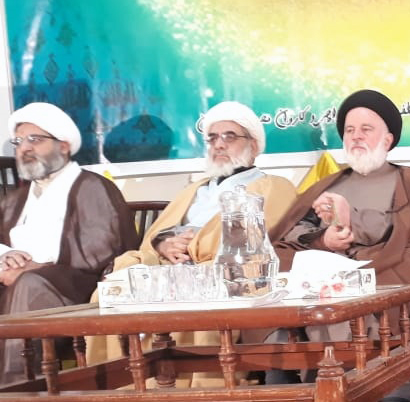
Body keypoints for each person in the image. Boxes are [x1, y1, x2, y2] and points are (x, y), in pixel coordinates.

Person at [273, 89, 410, 402]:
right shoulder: (327, 184)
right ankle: (305, 381)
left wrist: (353, 220)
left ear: (388, 139)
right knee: (284, 270)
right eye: (350, 130)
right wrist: (322, 240)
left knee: (407, 266)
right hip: (330, 262)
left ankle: (394, 388)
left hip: (388, 259)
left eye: (366, 129)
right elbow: (289, 234)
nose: (356, 136)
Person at [86, 101, 297, 376]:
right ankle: (117, 383)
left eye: (230, 137)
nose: (219, 144)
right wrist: (163, 244)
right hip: (167, 268)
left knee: (204, 289)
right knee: (114, 286)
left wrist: (191, 246)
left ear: (254, 145)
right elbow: (155, 237)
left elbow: (260, 240)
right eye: (212, 138)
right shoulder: (196, 189)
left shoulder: (274, 186)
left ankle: (199, 389)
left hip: (221, 270)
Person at [0, 102, 137, 386]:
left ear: (64, 146)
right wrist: (6, 255)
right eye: (18, 142)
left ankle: (16, 390)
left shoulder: (92, 187)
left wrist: (36, 269)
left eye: (35, 140)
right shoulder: (17, 199)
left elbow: (99, 252)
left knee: (30, 285)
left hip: (77, 291)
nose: (24, 148)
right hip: (18, 285)